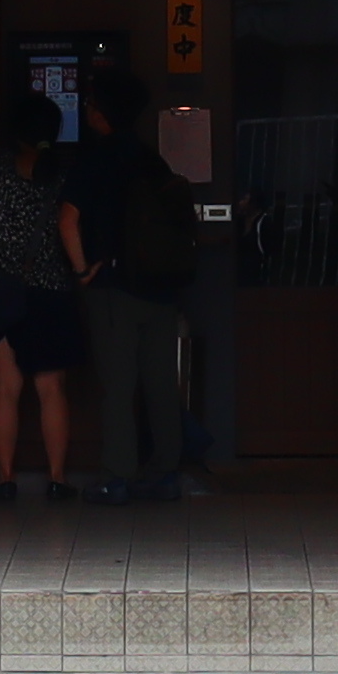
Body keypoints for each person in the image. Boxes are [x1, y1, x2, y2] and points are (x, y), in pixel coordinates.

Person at [74, 105, 212, 502]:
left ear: (103, 114)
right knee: (161, 383)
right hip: (161, 287)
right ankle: (165, 472)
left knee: (118, 387)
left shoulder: (95, 159)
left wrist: (83, 270)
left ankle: (116, 476)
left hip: (116, 287)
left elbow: (68, 218)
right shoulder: (153, 158)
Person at [0, 91, 90, 502]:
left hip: (3, 294)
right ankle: (57, 478)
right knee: (51, 390)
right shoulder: (67, 173)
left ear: (15, 134)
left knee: (5, 388)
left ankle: (5, 477)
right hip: (52, 292)